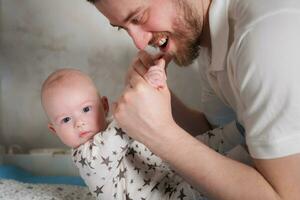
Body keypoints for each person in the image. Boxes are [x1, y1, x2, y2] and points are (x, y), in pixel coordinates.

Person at [86, 0, 300, 199]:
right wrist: (158, 96)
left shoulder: (263, 40)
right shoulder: (211, 40)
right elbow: (219, 135)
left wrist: (161, 135)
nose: (140, 43)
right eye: (122, 28)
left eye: (139, 18)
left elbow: (287, 196)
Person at [41, 68, 241, 199]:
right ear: (54, 130)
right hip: (160, 196)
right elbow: (127, 123)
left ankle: (240, 130)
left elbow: (138, 127)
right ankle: (247, 156)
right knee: (208, 184)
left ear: (104, 106)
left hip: (165, 175)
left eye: (85, 109)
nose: (79, 123)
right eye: (66, 120)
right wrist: (144, 90)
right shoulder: (87, 157)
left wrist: (149, 86)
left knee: (200, 146)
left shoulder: (111, 126)